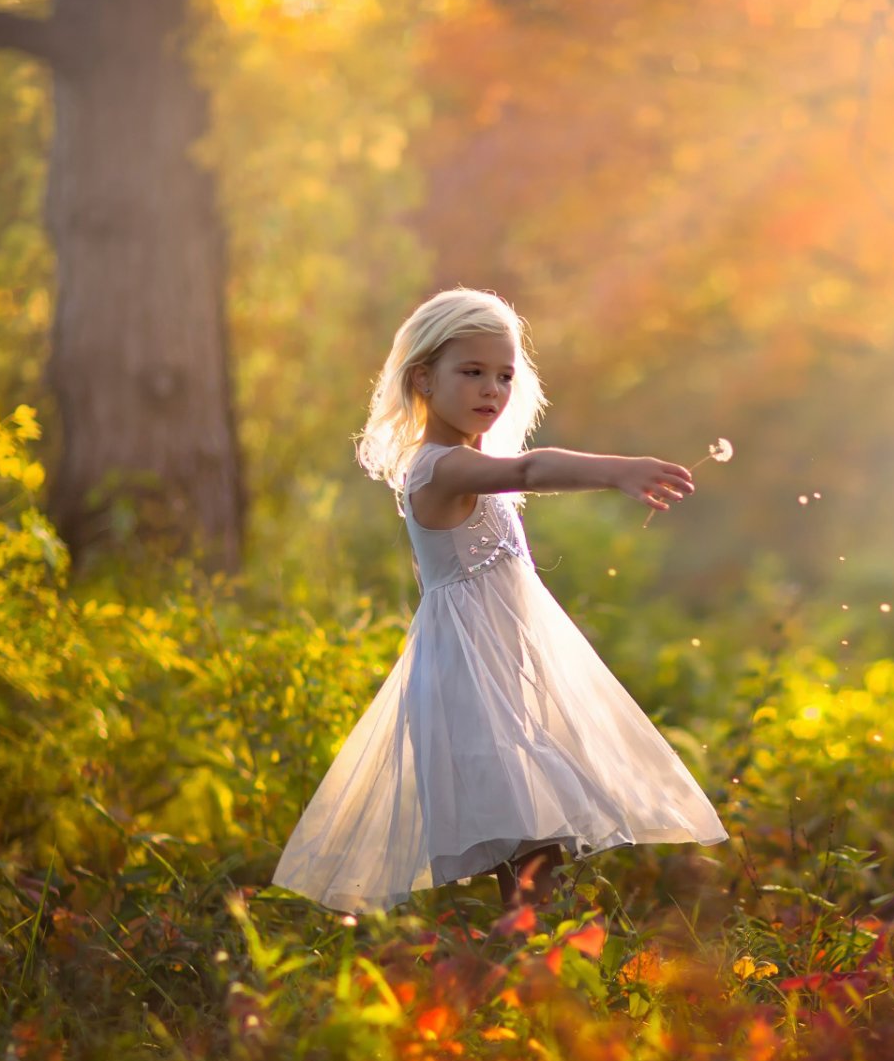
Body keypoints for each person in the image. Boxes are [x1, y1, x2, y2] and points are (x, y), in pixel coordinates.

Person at [271, 286, 729, 915]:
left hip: (511, 678)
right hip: (468, 685)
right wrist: (616, 471)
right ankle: (516, 978)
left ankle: (523, 977)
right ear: (424, 379)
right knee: (530, 850)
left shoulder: (471, 465)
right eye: (473, 372)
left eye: (504, 375)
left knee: (536, 856)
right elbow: (533, 469)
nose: (492, 389)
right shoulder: (436, 469)